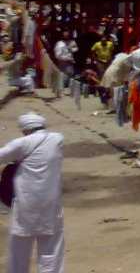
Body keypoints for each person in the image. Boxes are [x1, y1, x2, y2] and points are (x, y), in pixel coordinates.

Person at [1, 113, 65, 273]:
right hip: (50, 203)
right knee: (51, 248)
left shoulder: (21, 143)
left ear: (25, 129)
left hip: (25, 203)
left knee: (19, 249)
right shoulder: (57, 139)